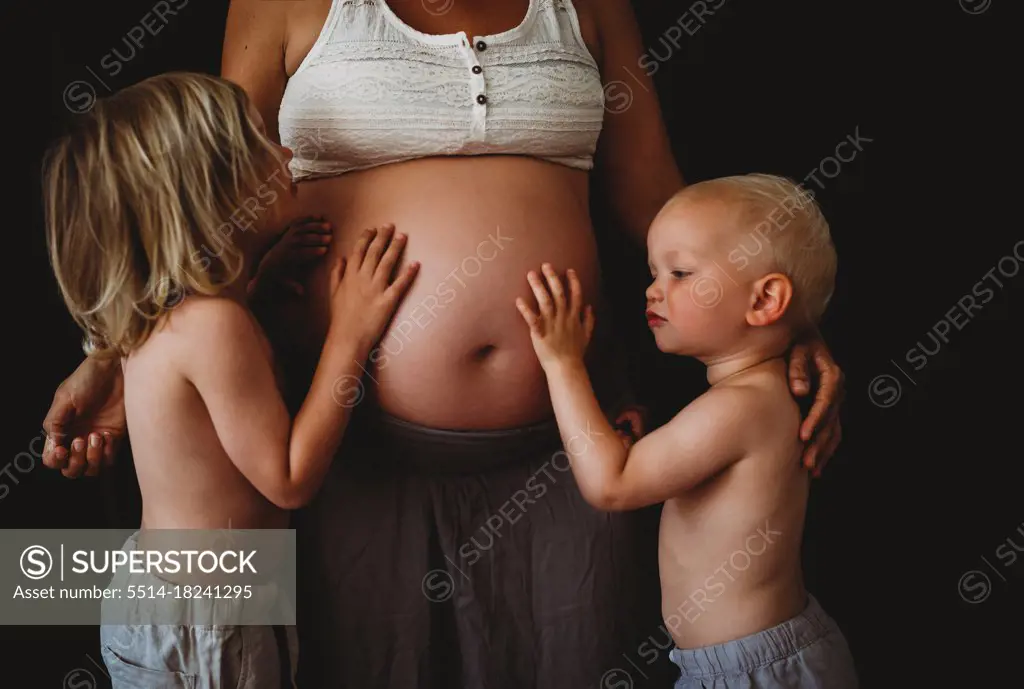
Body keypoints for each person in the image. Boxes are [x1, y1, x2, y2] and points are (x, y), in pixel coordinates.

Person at [41, 1, 847, 686]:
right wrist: (112, 359)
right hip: (346, 448)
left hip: (565, 451)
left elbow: (664, 205)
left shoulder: (589, 7)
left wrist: (777, 326)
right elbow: (198, 192)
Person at [41, 71, 417, 687]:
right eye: (260, 146)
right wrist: (351, 332)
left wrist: (260, 291)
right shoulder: (215, 325)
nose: (287, 153)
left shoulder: (179, 311)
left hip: (182, 606)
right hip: (208, 621)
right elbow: (290, 478)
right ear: (212, 195)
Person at [516, 173, 858, 688]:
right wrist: (628, 442)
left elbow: (612, 483)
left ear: (764, 301)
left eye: (680, 273)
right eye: (654, 271)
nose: (654, 290)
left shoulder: (741, 406)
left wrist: (563, 364)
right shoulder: (758, 396)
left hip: (754, 673)